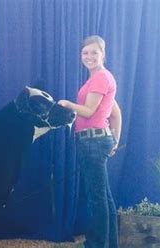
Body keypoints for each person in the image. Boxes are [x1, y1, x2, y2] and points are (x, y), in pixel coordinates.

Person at [58, 35, 122, 248]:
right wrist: (114, 140)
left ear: (103, 54)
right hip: (97, 140)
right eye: (85, 52)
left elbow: (88, 111)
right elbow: (115, 113)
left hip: (92, 142)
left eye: (94, 52)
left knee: (97, 198)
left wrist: (68, 104)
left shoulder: (101, 78)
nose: (89, 56)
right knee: (104, 197)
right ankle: (109, 243)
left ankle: (96, 244)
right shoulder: (100, 78)